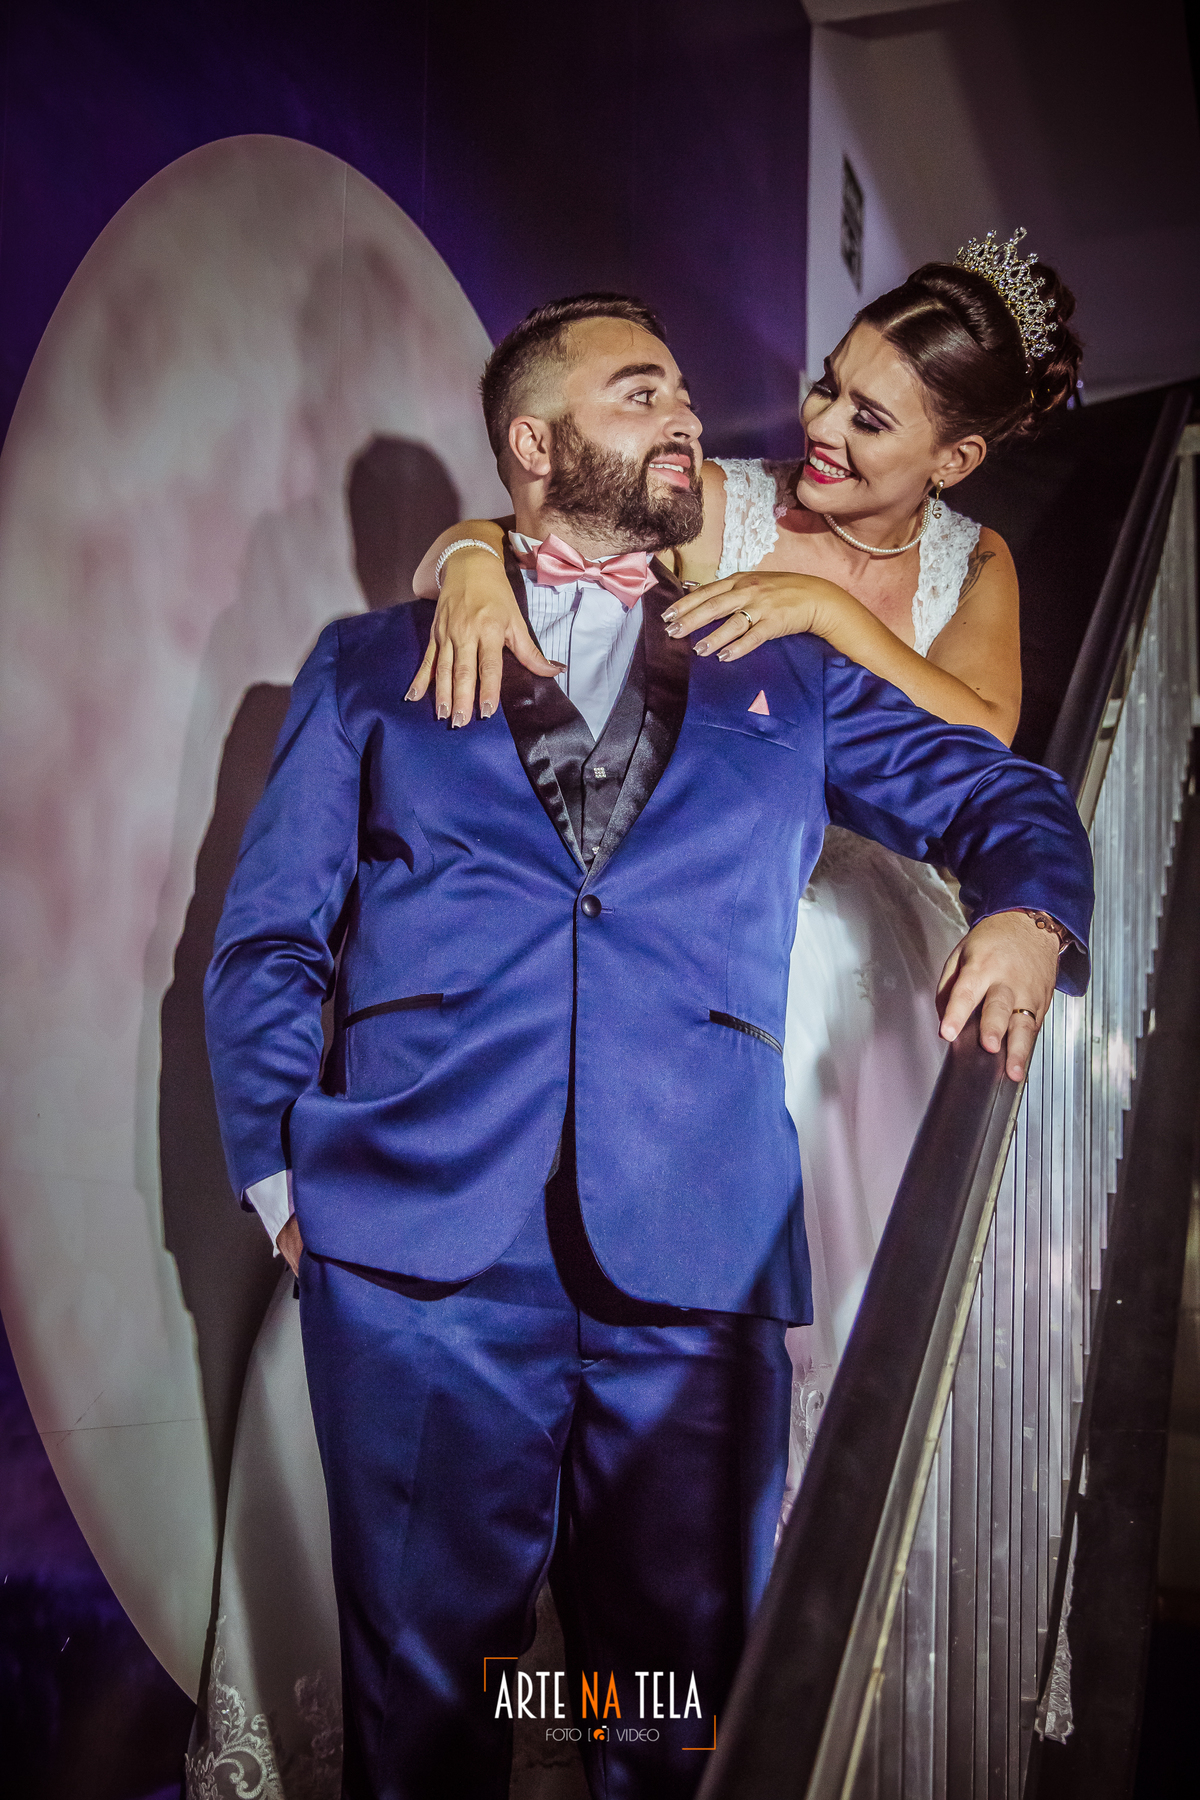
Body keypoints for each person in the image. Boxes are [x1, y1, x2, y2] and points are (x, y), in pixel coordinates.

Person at [204, 290, 1092, 1800]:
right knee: (425, 1714)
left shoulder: (783, 671)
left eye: (685, 394)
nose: (688, 416)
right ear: (535, 445)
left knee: (667, 1714)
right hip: (418, 1271)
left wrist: (1032, 913)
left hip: (698, 1263)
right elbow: (269, 944)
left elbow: (1001, 792)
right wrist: (292, 1191)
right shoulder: (368, 665)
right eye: (641, 393)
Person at [405, 234, 1084, 1485]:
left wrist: (824, 615)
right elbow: (545, 523)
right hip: (705, 895)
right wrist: (463, 559)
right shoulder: (720, 500)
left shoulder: (972, 560)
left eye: (869, 418)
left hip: (875, 899)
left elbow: (982, 739)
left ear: (954, 462)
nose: (820, 424)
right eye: (828, 384)